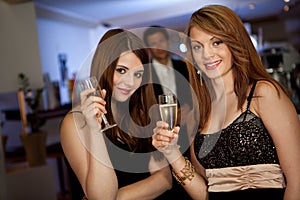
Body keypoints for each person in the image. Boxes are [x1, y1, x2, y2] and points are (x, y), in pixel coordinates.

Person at [152, 4, 300, 200]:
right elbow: (205, 193)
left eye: (216, 42)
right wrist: (171, 153)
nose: (207, 54)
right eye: (197, 46)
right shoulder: (199, 109)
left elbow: (297, 182)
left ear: (235, 43)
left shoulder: (263, 93)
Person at [60, 28, 173, 200]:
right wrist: (94, 130)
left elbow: (165, 179)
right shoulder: (75, 122)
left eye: (138, 74)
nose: (130, 83)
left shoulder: (140, 111)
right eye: (121, 70)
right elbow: (101, 197)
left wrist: (117, 197)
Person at [143, 25, 193, 199]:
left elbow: (196, 96)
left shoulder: (185, 68)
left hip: (189, 132)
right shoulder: (144, 73)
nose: (158, 46)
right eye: (153, 43)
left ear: (168, 42)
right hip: (159, 136)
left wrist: (190, 109)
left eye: (161, 41)